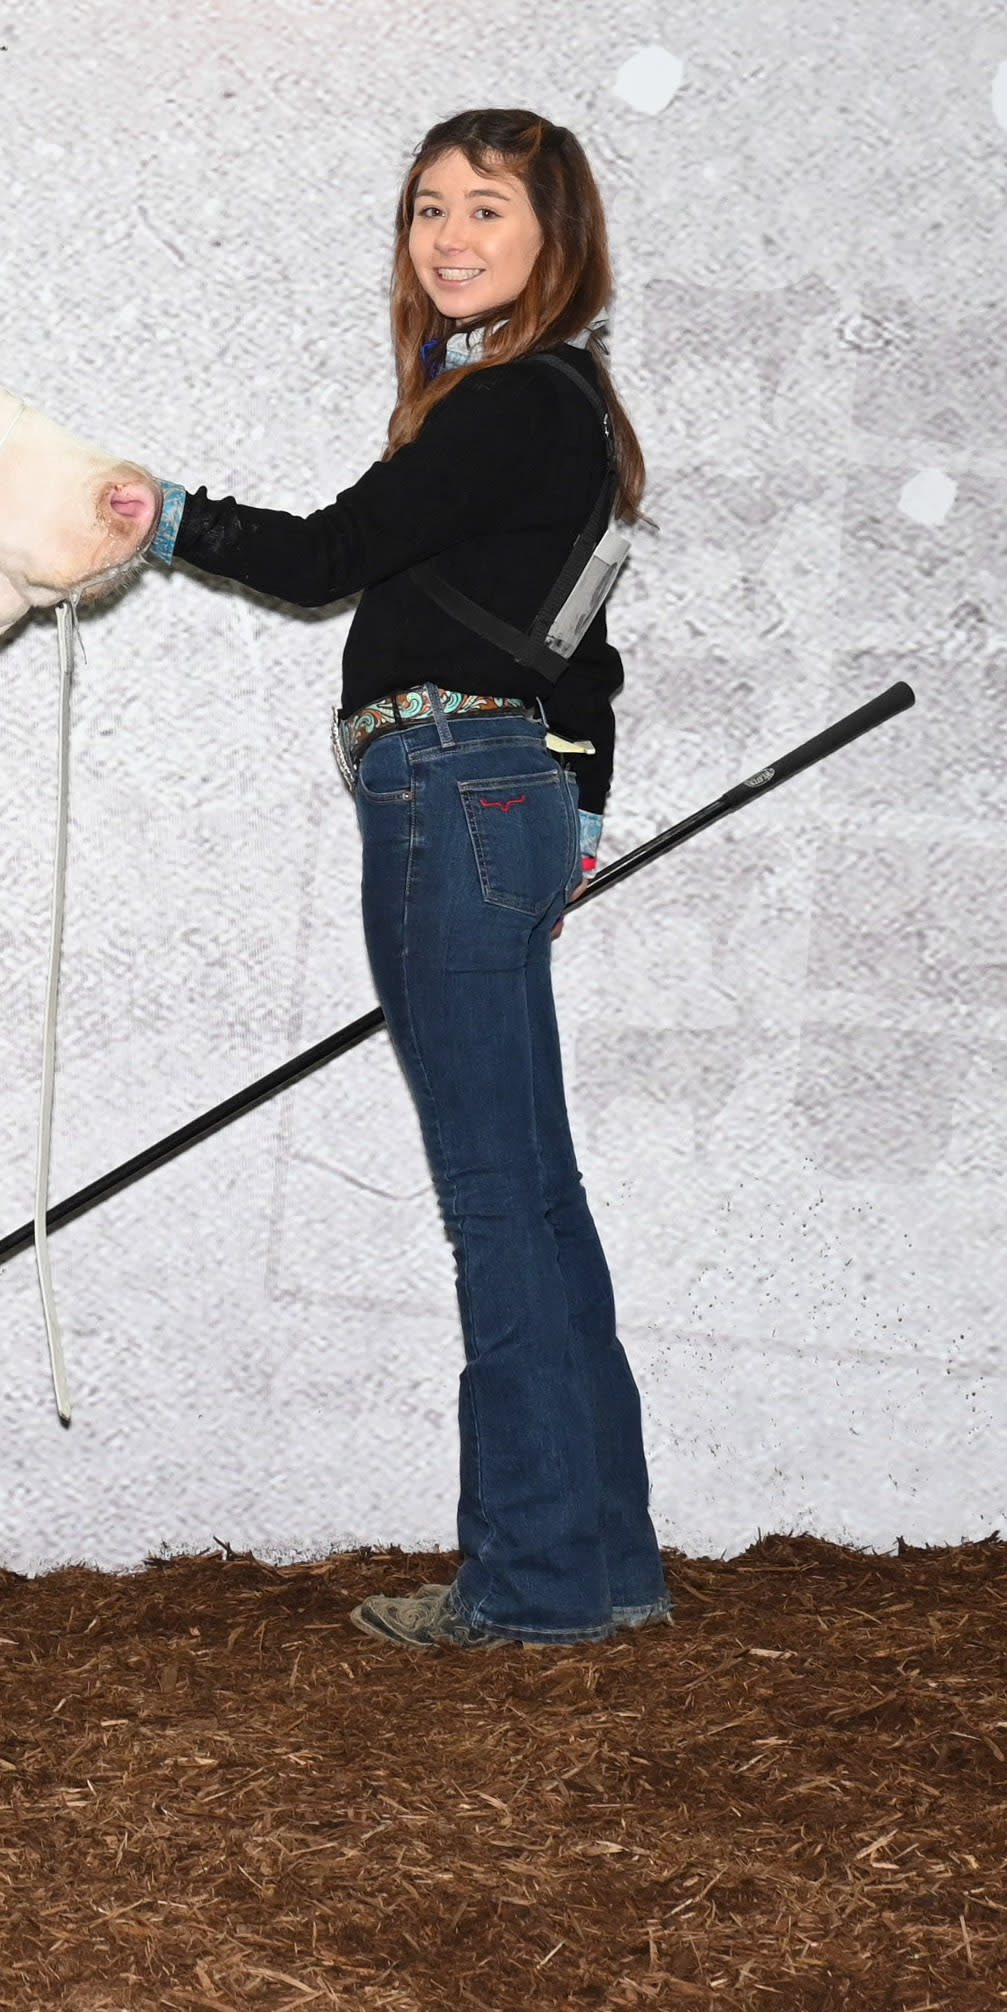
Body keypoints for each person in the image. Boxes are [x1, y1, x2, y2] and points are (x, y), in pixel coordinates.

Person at [139, 106, 664, 1651]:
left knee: (499, 1203)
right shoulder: (554, 404)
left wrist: (159, 519)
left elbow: (316, 561)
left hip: (447, 793)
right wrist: (576, 809)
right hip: (494, 794)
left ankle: (533, 1588)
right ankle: (600, 1565)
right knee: (535, 1199)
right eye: (427, 209)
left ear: (552, 238)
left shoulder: (510, 405)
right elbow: (587, 649)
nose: (448, 238)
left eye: (486, 211)